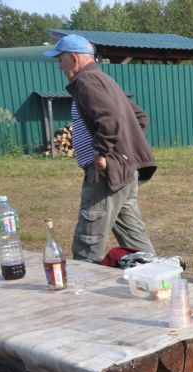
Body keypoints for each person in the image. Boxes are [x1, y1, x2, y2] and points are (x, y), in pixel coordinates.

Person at [45, 34, 156, 262]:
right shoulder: (103, 79)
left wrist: (102, 153)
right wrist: (124, 151)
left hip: (105, 174)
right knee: (134, 239)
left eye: (60, 59)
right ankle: (159, 275)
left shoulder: (86, 82)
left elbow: (111, 120)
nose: (59, 66)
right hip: (121, 171)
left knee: (88, 241)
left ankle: (84, 282)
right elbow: (140, 117)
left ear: (74, 58)